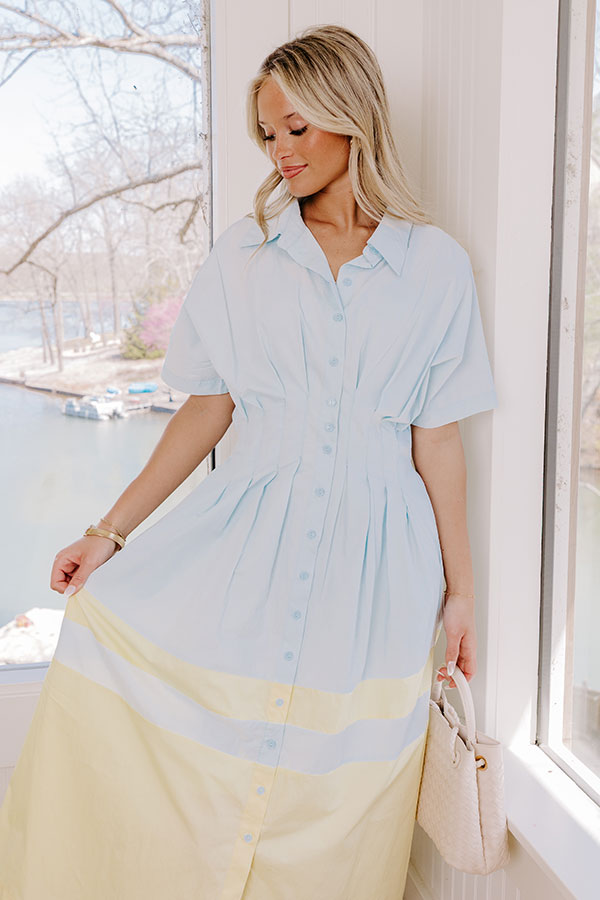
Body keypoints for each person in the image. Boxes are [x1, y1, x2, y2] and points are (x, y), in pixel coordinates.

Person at [0, 24, 498, 900]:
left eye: (297, 127)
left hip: (378, 567)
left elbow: (439, 437)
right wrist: (108, 532)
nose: (280, 151)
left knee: (341, 800)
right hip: (247, 536)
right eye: (269, 134)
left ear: (354, 117)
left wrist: (461, 591)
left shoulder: (437, 267)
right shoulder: (244, 253)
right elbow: (208, 407)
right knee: (189, 733)